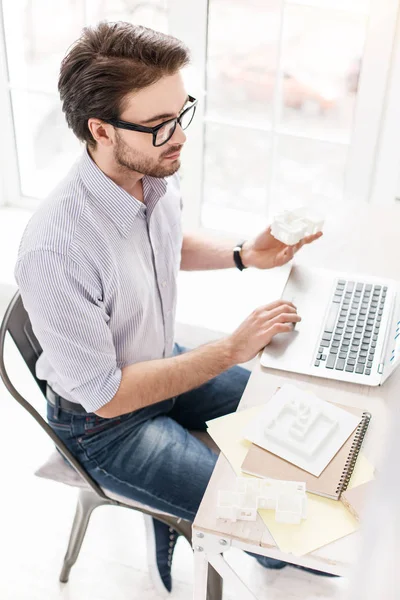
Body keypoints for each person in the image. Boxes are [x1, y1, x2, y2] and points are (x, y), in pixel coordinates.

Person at [15, 21, 324, 594]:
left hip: (160, 363)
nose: (179, 137)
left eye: (182, 113)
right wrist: (230, 349)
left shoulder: (147, 176)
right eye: (159, 126)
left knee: (302, 423)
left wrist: (243, 254)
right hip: (103, 425)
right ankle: (275, 552)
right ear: (100, 130)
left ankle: (275, 546)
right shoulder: (57, 247)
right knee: (272, 509)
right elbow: (106, 395)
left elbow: (164, 244)